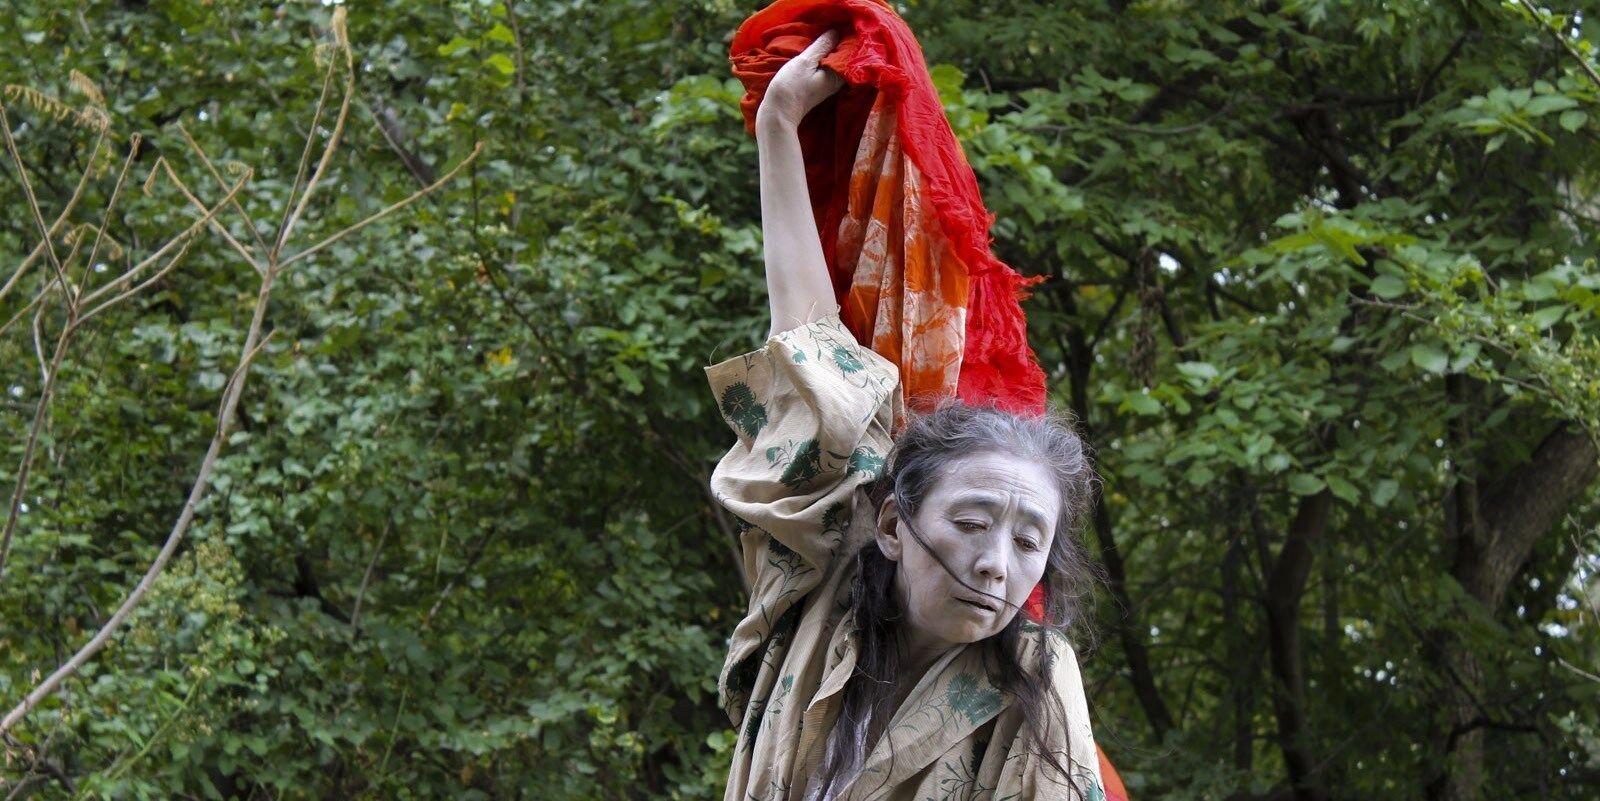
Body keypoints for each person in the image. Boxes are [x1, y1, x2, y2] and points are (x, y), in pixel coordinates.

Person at [707, 31, 1106, 801]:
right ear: (891, 524)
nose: (997, 563)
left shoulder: (1035, 685)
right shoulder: (824, 579)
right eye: (972, 520)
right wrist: (780, 127)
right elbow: (809, 353)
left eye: (1030, 540)